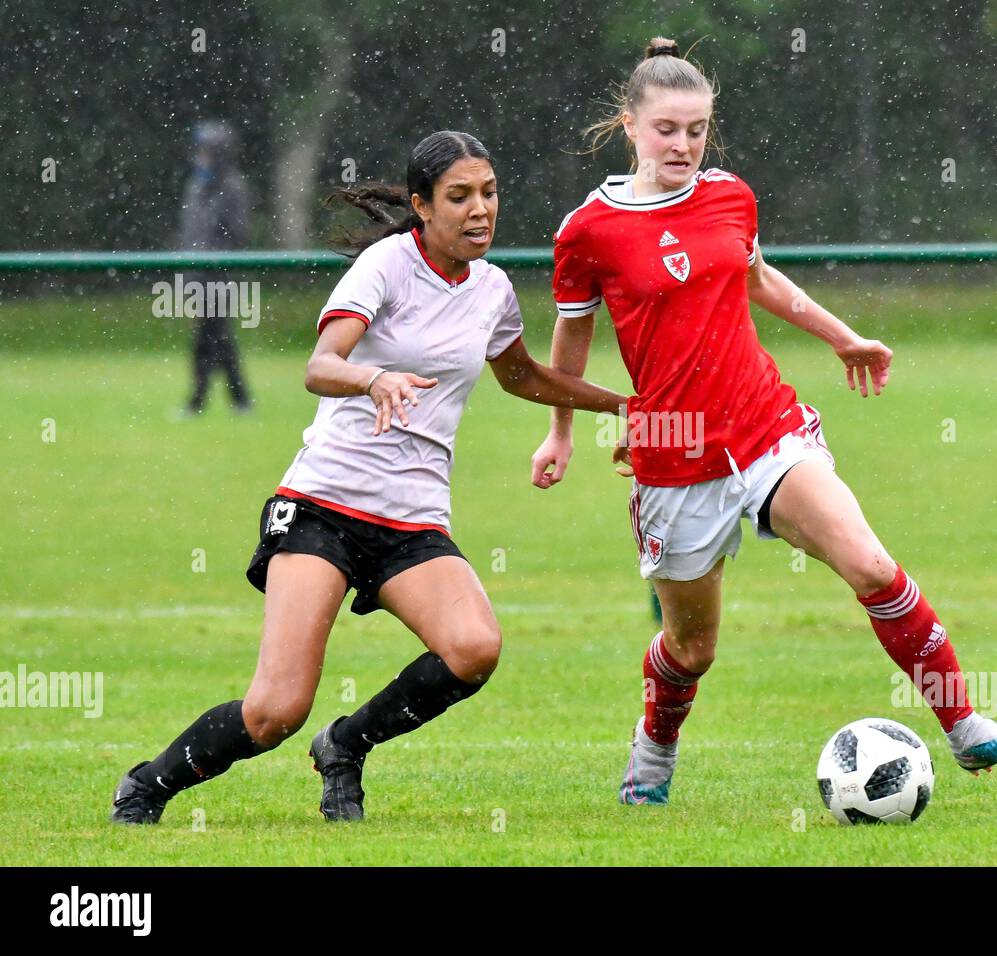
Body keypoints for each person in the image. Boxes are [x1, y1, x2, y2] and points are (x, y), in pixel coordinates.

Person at [531, 38, 997, 805]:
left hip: (766, 427)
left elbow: (758, 276)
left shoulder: (730, 195)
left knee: (871, 566)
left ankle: (966, 727)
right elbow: (570, 338)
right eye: (667, 129)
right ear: (630, 124)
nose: (683, 144)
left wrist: (843, 336)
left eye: (697, 129)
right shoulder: (588, 230)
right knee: (691, 647)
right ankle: (652, 757)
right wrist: (563, 430)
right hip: (676, 458)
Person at [111, 130, 628, 824]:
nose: (481, 210)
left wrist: (624, 402)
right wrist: (373, 378)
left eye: (490, 192)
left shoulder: (493, 289)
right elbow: (320, 365)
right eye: (459, 197)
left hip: (411, 518)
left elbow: (525, 377)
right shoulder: (386, 265)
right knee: (274, 712)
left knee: (473, 648)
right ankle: (146, 786)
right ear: (421, 205)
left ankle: (346, 744)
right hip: (323, 504)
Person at [177, 120, 253, 415]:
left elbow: (238, 234)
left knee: (212, 340)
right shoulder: (196, 186)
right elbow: (189, 234)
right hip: (197, 276)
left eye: (207, 151)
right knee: (216, 340)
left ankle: (201, 401)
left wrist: (213, 260)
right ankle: (238, 400)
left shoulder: (233, 187)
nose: (201, 156)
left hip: (220, 277)